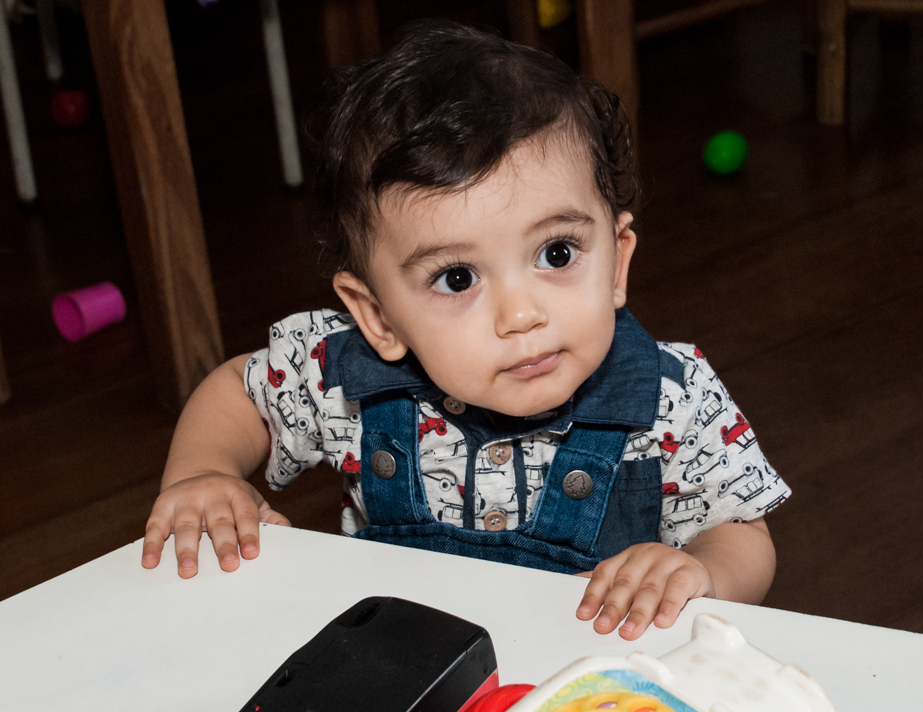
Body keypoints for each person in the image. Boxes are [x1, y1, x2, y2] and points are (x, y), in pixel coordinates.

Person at [140, 21, 788, 640]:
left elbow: (741, 531)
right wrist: (203, 473)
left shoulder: (670, 396)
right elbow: (241, 394)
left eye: (557, 254)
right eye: (456, 279)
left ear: (617, 259)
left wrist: (703, 571)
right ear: (378, 316)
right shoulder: (351, 379)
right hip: (403, 685)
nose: (521, 314)